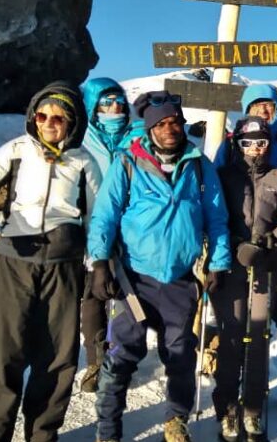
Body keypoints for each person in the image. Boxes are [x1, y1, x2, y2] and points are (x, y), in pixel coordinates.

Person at [0, 81, 101, 442]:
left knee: (57, 358)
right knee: (3, 354)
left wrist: (99, 260)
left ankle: (42, 435)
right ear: (33, 117)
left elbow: (98, 215)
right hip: (16, 260)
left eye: (59, 117)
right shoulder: (15, 150)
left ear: (72, 122)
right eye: (42, 115)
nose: (49, 122)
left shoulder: (83, 160)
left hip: (64, 263)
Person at [87, 90, 231, 442]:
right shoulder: (128, 162)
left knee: (180, 354)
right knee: (123, 353)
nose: (171, 129)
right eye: (162, 123)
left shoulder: (198, 165)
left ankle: (176, 419)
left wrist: (219, 262)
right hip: (133, 278)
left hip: (180, 280)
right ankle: (108, 430)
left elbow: (217, 218)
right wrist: (100, 262)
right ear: (150, 129)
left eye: (175, 122)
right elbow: (105, 216)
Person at [229, 84, 277, 420]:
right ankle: (249, 391)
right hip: (245, 255)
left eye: (269, 106)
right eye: (256, 106)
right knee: (246, 326)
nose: (263, 111)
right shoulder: (231, 147)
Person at [212, 116, 277, 441]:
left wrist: (275, 243)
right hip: (232, 265)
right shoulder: (225, 176)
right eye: (248, 142)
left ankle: (254, 408)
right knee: (232, 335)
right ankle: (228, 407)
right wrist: (237, 245)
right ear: (238, 144)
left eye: (260, 141)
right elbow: (215, 218)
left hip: (262, 266)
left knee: (258, 337)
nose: (255, 148)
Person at [78, 77, 141, 393]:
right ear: (92, 106)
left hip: (134, 230)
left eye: (118, 101)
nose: (114, 107)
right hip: (94, 228)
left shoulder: (138, 135)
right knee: (94, 295)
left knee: (130, 297)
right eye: (106, 102)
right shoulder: (80, 139)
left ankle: (122, 359)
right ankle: (95, 360)